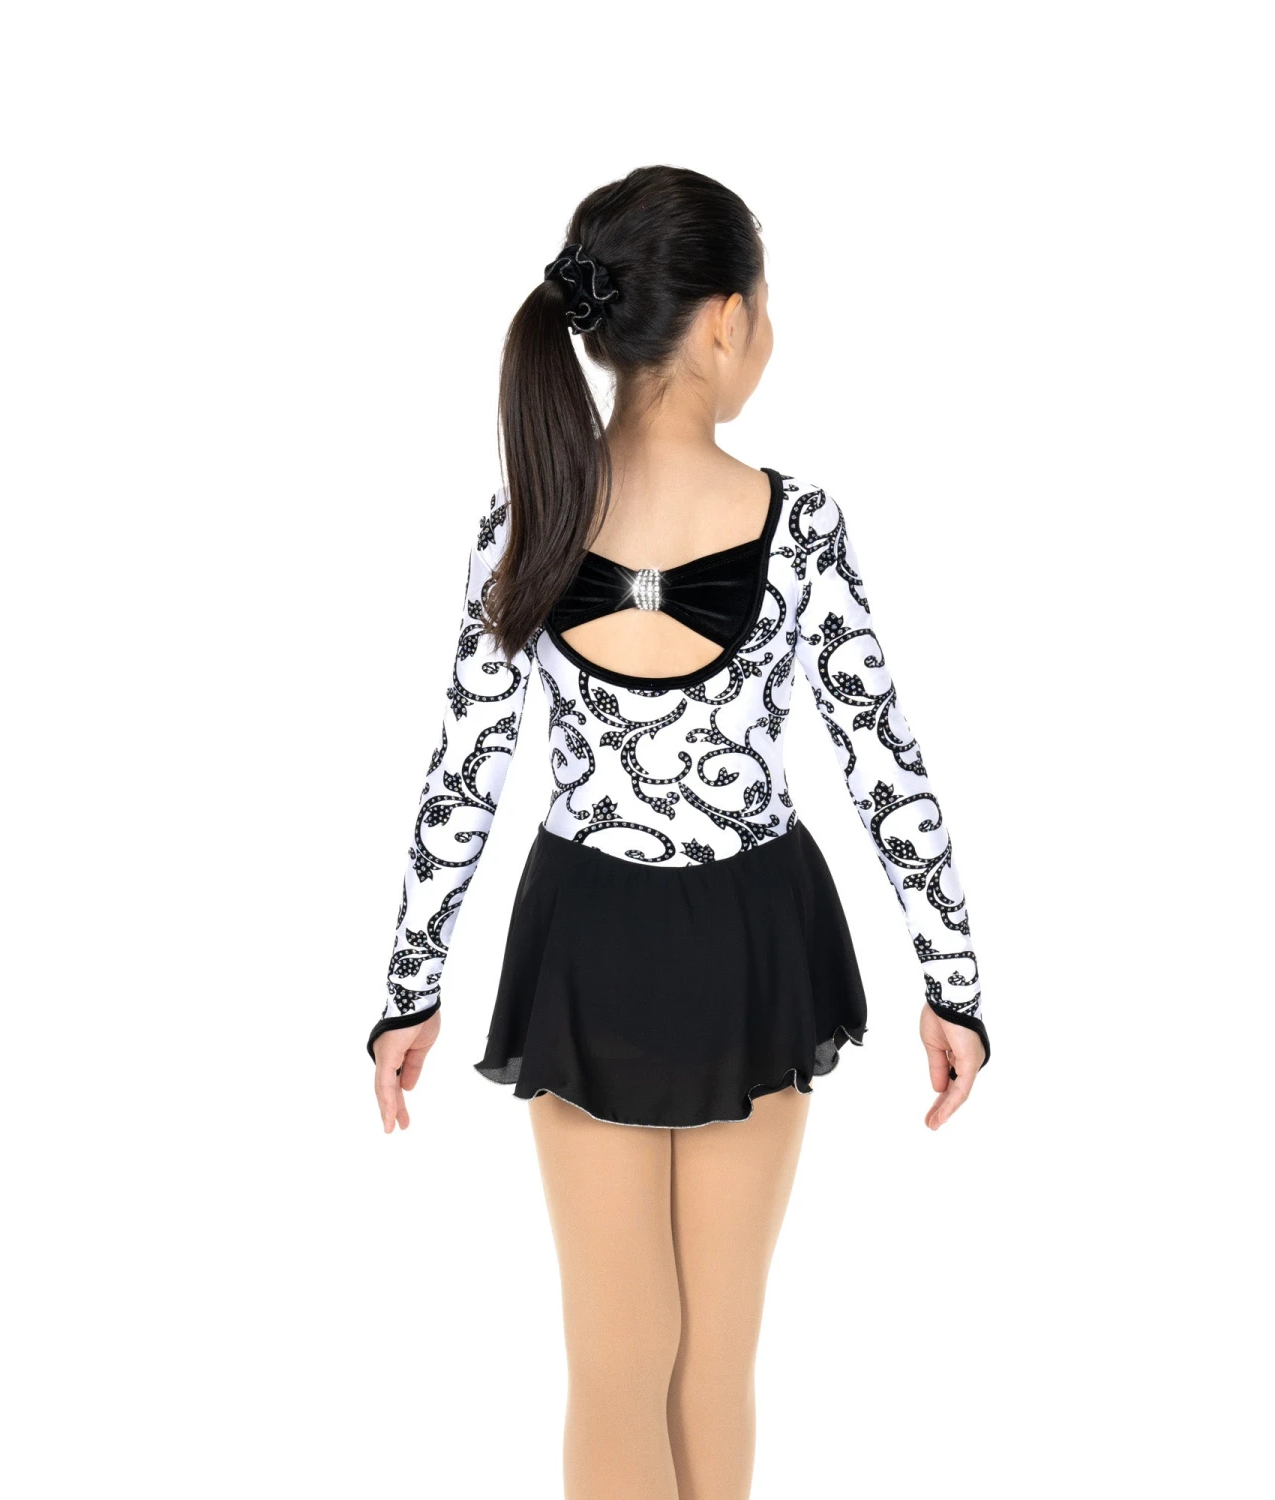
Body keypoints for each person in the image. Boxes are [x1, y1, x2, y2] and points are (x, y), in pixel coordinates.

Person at [368, 164, 989, 1500]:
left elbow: (462, 777)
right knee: (715, 1357)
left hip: (584, 940)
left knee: (615, 1359)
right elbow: (887, 767)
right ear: (723, 321)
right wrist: (955, 984)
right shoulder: (798, 525)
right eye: (767, 306)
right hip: (754, 939)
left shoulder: (524, 521)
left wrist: (408, 992)